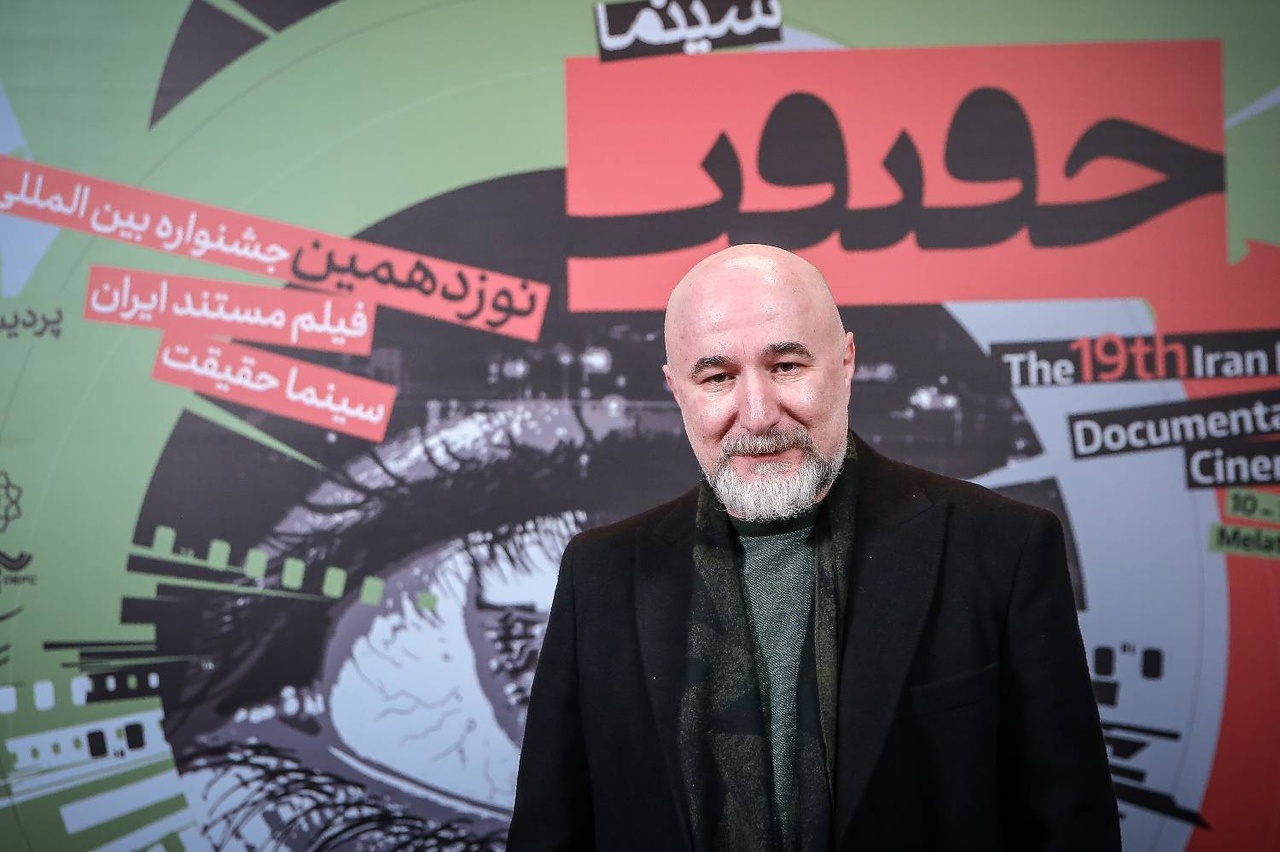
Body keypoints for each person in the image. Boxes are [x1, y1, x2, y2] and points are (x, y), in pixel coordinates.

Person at [507, 244, 1120, 851]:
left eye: (786, 367)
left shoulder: (1002, 549)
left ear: (846, 362)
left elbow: (1072, 829)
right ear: (676, 389)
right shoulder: (600, 575)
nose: (758, 414)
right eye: (718, 378)